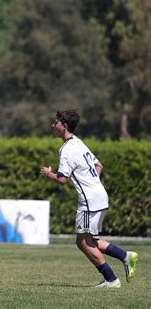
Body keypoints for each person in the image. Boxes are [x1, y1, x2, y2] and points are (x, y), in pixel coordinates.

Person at [40, 110, 139, 288]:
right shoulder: (78, 143)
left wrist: (48, 174)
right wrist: (93, 184)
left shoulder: (66, 149)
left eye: (56, 122)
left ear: (64, 125)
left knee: (82, 242)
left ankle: (111, 279)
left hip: (90, 200)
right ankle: (126, 256)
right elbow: (98, 165)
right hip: (100, 195)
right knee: (91, 240)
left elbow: (62, 179)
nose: (53, 125)